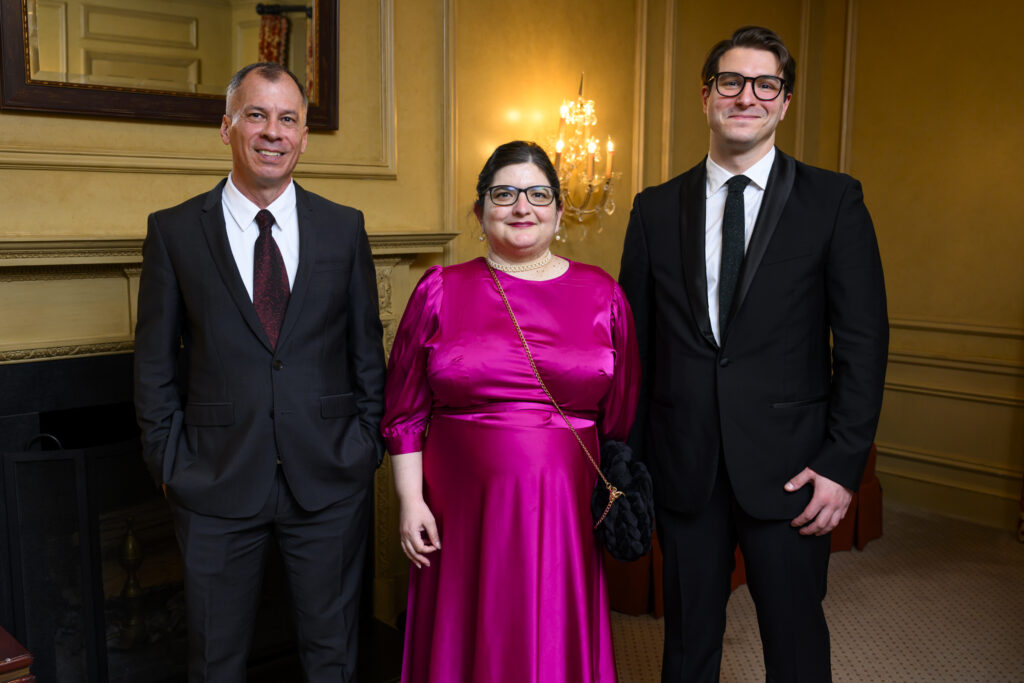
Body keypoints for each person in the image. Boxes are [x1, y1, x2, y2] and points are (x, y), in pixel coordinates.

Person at [618, 26, 888, 682]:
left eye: (765, 84)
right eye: (732, 83)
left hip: (795, 472)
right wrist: (631, 461)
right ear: (706, 96)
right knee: (686, 648)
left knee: (796, 647)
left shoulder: (834, 201)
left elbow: (862, 342)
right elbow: (633, 347)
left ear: (784, 102)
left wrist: (842, 465)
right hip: (685, 469)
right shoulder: (654, 210)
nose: (748, 97)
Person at [133, 62, 385, 682]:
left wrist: (364, 443)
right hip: (215, 481)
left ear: (302, 137)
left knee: (333, 656)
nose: (273, 131)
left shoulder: (343, 227)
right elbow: (155, 363)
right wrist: (170, 462)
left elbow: (366, 352)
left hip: (328, 478)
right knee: (215, 662)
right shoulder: (173, 233)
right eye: (256, 114)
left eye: (288, 119)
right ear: (227, 128)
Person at [381, 140, 640, 683]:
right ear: (480, 212)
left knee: (551, 636)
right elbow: (404, 412)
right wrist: (410, 501)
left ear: (559, 211)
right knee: (468, 635)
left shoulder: (604, 294)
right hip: (459, 510)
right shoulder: (438, 291)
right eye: (504, 193)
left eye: (538, 194)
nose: (522, 207)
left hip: (566, 508)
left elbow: (618, 415)